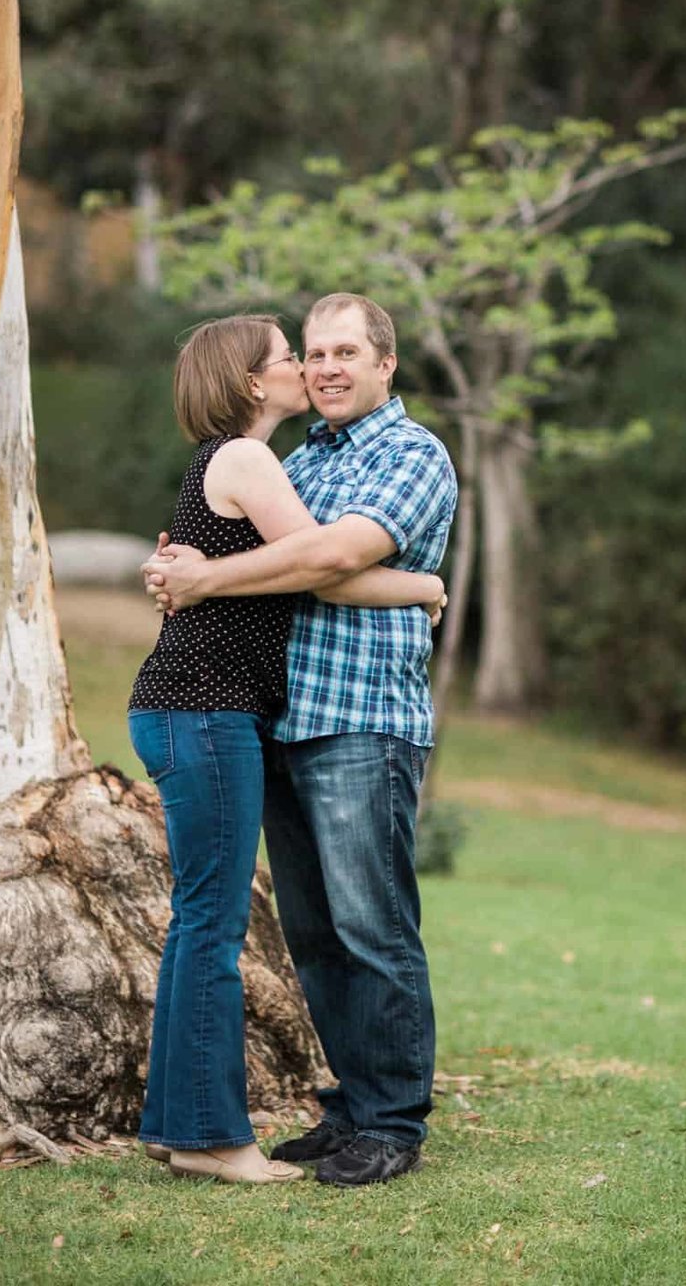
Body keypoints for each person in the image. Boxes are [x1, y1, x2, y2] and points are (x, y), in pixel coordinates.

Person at [144, 293, 457, 1187]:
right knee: (316, 935)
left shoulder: (411, 454)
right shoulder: (299, 459)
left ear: (385, 363)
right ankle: (349, 1112)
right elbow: (254, 550)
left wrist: (207, 577)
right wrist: (190, 570)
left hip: (361, 721)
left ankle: (393, 1123)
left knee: (374, 927)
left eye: (345, 351)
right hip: (275, 720)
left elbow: (323, 563)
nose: (325, 367)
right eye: (313, 352)